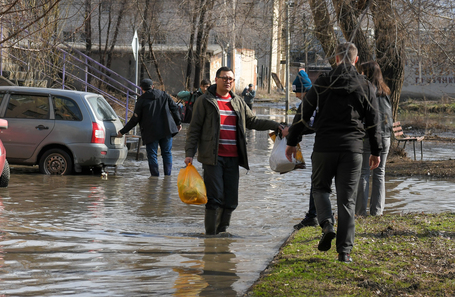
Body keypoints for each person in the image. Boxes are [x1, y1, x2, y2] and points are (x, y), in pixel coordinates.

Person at [286, 42, 381, 263]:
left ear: (336, 59)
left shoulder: (322, 83)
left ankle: (327, 223)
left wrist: (292, 141)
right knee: (347, 200)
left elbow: (303, 113)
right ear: (356, 60)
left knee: (320, 189)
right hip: (352, 149)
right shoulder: (366, 86)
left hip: (324, 147)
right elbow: (374, 122)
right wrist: (376, 150)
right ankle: (344, 252)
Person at [184, 67, 287, 235]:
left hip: (233, 158)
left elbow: (252, 121)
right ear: (216, 79)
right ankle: (210, 236)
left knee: (231, 200)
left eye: (231, 79)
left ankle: (222, 231)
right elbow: (194, 128)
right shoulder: (205, 101)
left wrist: (275, 125)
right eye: (224, 78)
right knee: (214, 198)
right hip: (212, 158)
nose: (228, 81)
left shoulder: (238, 101)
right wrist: (189, 153)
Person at [118, 79, 182, 177]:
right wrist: (178, 123)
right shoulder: (164, 95)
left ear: (141, 88)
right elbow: (174, 108)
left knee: (152, 155)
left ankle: (155, 178)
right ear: (152, 86)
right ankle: (167, 177)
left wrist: (122, 131)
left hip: (150, 132)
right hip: (167, 129)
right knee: (167, 153)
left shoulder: (141, 100)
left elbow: (134, 120)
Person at [355, 61, 393, 216]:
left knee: (363, 172)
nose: (360, 75)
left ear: (367, 74)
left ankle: (360, 212)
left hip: (369, 137)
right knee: (380, 173)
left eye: (362, 72)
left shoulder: (366, 91)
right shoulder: (385, 92)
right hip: (385, 137)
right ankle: (377, 211)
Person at [290, 70, 319, 230]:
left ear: (305, 90)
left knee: (317, 182)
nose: (296, 96)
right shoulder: (315, 98)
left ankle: (314, 216)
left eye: (297, 91)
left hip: (325, 148)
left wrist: (293, 134)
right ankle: (318, 215)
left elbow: (309, 125)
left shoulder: (311, 101)